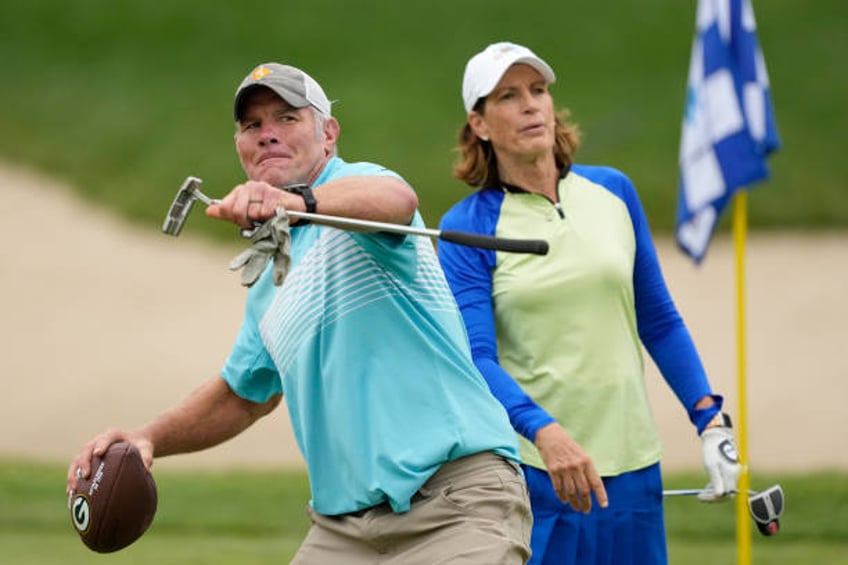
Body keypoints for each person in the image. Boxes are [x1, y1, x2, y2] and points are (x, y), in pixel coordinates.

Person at [66, 61, 532, 564]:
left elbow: (397, 200)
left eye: (287, 118)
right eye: (253, 126)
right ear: (240, 147)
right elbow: (243, 395)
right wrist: (146, 438)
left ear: (328, 133)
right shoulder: (270, 273)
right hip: (344, 531)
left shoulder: (357, 190)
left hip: (455, 502)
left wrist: (295, 199)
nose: (267, 135)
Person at [437, 42, 741, 564]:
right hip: (539, 473)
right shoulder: (468, 227)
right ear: (480, 124)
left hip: (634, 469)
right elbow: (475, 358)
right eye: (508, 96)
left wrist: (709, 421)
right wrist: (545, 431)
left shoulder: (613, 192)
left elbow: (659, 320)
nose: (531, 105)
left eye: (538, 90)